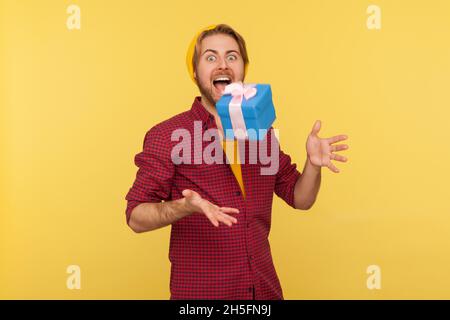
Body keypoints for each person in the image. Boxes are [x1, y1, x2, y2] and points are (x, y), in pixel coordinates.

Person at [125, 24, 349, 300]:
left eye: (232, 57)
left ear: (243, 69)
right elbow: (135, 217)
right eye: (211, 57)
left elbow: (300, 198)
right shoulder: (168, 135)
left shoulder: (261, 132)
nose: (223, 65)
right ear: (195, 72)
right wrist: (184, 207)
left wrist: (313, 165)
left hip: (264, 294)